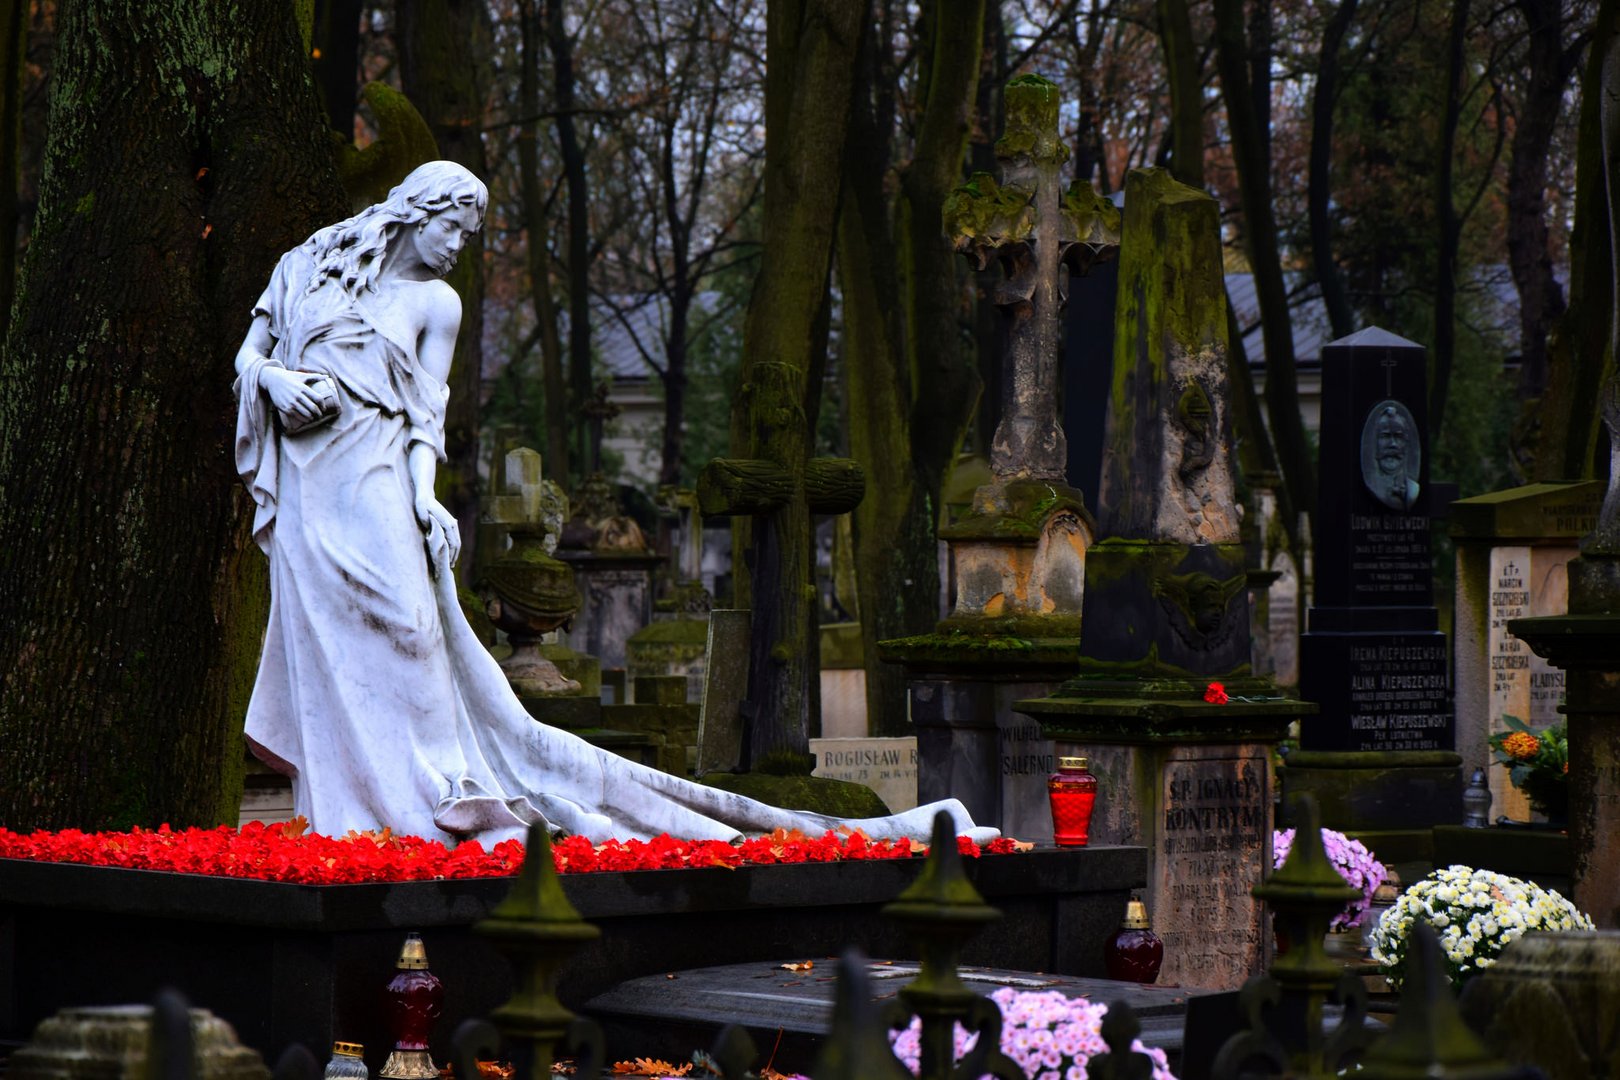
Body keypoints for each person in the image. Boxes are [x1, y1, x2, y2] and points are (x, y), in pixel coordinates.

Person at [234, 161, 993, 847]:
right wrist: (275, 384)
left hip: (380, 491)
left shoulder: (439, 304)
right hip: (312, 493)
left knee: (411, 630)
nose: (456, 250)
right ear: (418, 211)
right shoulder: (308, 270)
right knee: (332, 653)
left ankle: (442, 794)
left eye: (467, 238)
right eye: (451, 231)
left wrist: (427, 498)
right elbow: (250, 356)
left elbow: (425, 418)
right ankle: (354, 817)